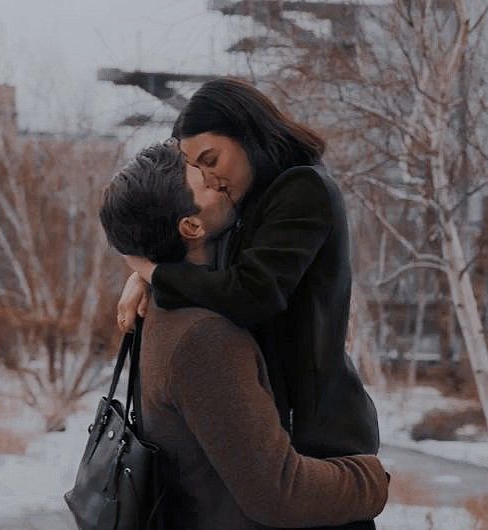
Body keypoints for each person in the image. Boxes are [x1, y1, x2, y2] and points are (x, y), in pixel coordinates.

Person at [99, 143, 389, 530]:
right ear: (192, 226)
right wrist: (372, 481)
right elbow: (278, 494)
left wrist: (142, 271)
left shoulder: (163, 307)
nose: (226, 181)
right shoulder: (204, 339)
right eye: (209, 182)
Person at [116, 78, 380, 462]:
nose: (208, 178)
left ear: (248, 135)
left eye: (211, 159)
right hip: (278, 428)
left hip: (320, 436)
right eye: (196, 168)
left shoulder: (304, 188)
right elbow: (204, 264)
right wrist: (142, 277)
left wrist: (151, 271)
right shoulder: (246, 203)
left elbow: (252, 293)